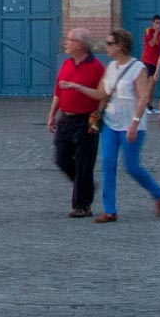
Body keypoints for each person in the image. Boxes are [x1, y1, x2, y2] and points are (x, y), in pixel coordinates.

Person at [95, 28, 160, 223]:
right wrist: (75, 89)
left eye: (109, 43)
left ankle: (159, 193)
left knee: (131, 166)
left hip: (131, 124)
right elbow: (102, 94)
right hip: (110, 122)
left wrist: (135, 122)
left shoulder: (138, 68)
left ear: (121, 46)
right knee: (108, 163)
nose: (106, 47)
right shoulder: (110, 67)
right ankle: (109, 210)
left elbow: (144, 97)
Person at [47, 28, 106, 218]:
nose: (66, 43)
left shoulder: (97, 67)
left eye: (70, 40)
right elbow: (58, 92)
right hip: (66, 118)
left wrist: (97, 118)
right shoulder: (66, 64)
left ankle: (82, 205)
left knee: (84, 162)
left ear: (81, 44)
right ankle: (85, 186)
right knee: (61, 158)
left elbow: (103, 96)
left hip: (86, 120)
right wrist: (51, 115)